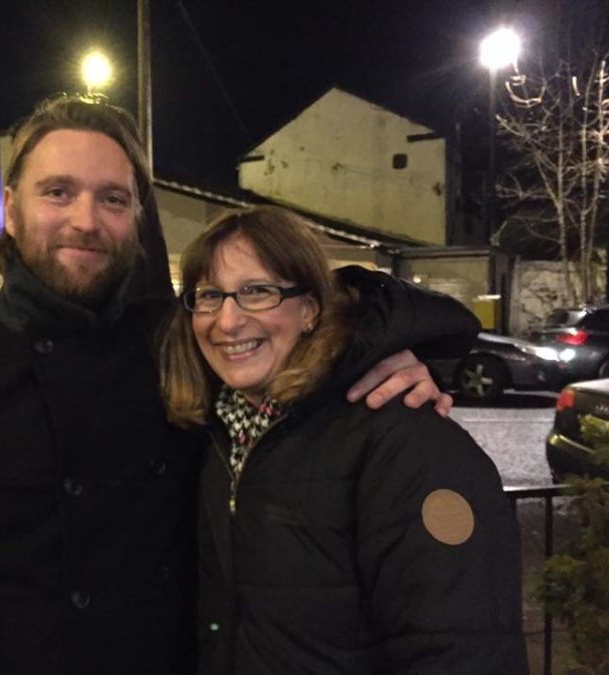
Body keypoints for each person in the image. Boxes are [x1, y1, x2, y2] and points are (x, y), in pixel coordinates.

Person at [0, 96, 474, 674]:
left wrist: (391, 354)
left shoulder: (179, 346)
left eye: (112, 198)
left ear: (136, 218)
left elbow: (296, 334)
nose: (85, 219)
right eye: (58, 192)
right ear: (12, 211)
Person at [159, 207, 528, 674]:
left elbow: (461, 650)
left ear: (310, 309)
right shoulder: (216, 436)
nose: (227, 321)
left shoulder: (403, 439)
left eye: (258, 292)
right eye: (210, 296)